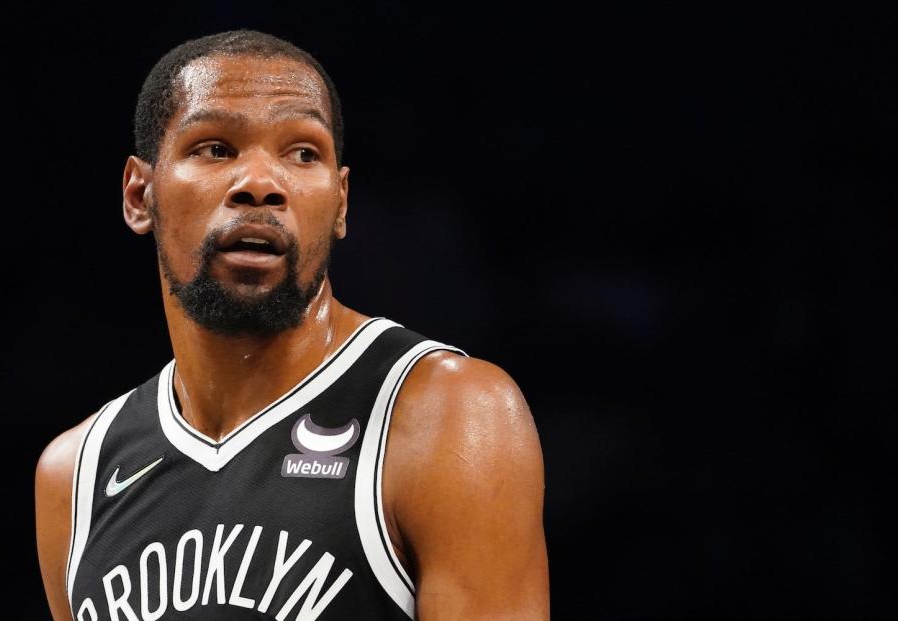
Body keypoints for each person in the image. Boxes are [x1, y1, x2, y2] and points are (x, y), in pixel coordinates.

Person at [34, 29, 548, 621]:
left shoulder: (450, 414)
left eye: (304, 153)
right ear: (139, 194)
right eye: (216, 148)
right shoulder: (74, 475)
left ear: (341, 203)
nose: (261, 183)